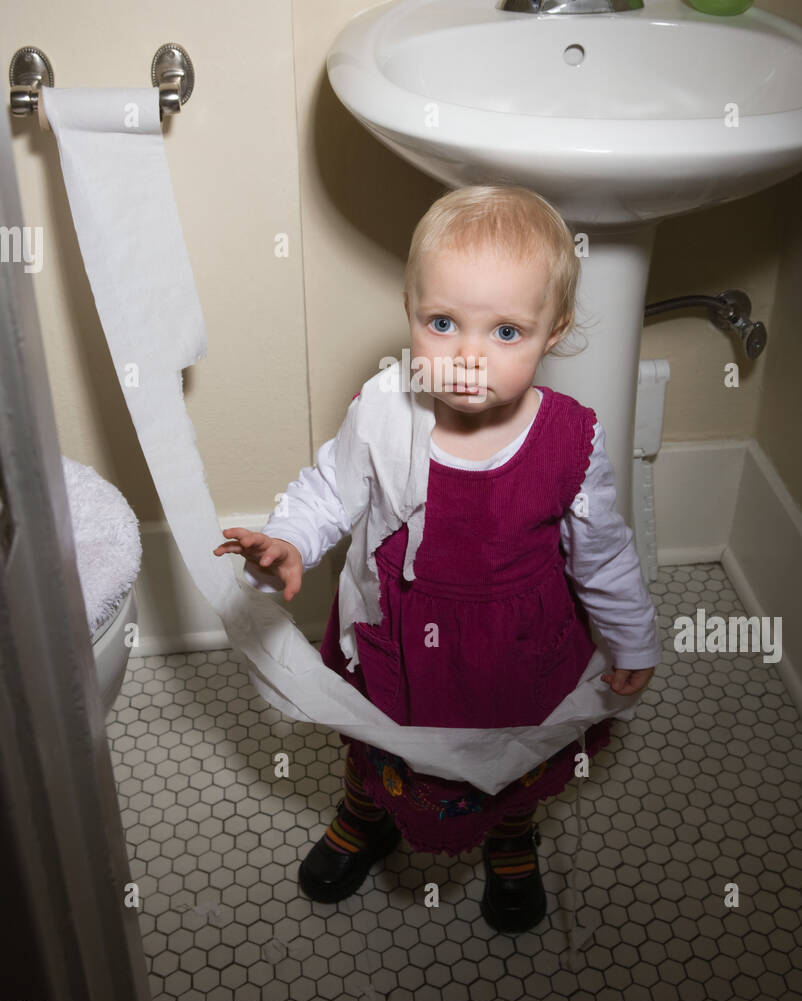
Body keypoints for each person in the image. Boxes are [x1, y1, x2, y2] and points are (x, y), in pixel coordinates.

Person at [214, 185, 661, 934]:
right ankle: (365, 815)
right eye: (442, 322)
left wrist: (632, 634)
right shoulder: (385, 407)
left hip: (514, 649)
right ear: (409, 310)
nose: (465, 357)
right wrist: (289, 538)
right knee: (379, 745)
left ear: (555, 331)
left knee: (513, 756)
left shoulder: (570, 440)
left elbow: (603, 552)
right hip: (401, 642)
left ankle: (511, 840)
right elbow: (332, 487)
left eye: (507, 331)